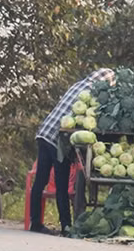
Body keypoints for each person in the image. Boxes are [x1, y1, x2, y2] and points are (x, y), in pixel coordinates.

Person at [29, 68, 116, 236]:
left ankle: (35, 223)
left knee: (40, 180)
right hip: (58, 139)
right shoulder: (95, 93)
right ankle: (66, 226)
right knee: (62, 184)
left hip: (44, 133)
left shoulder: (78, 84)